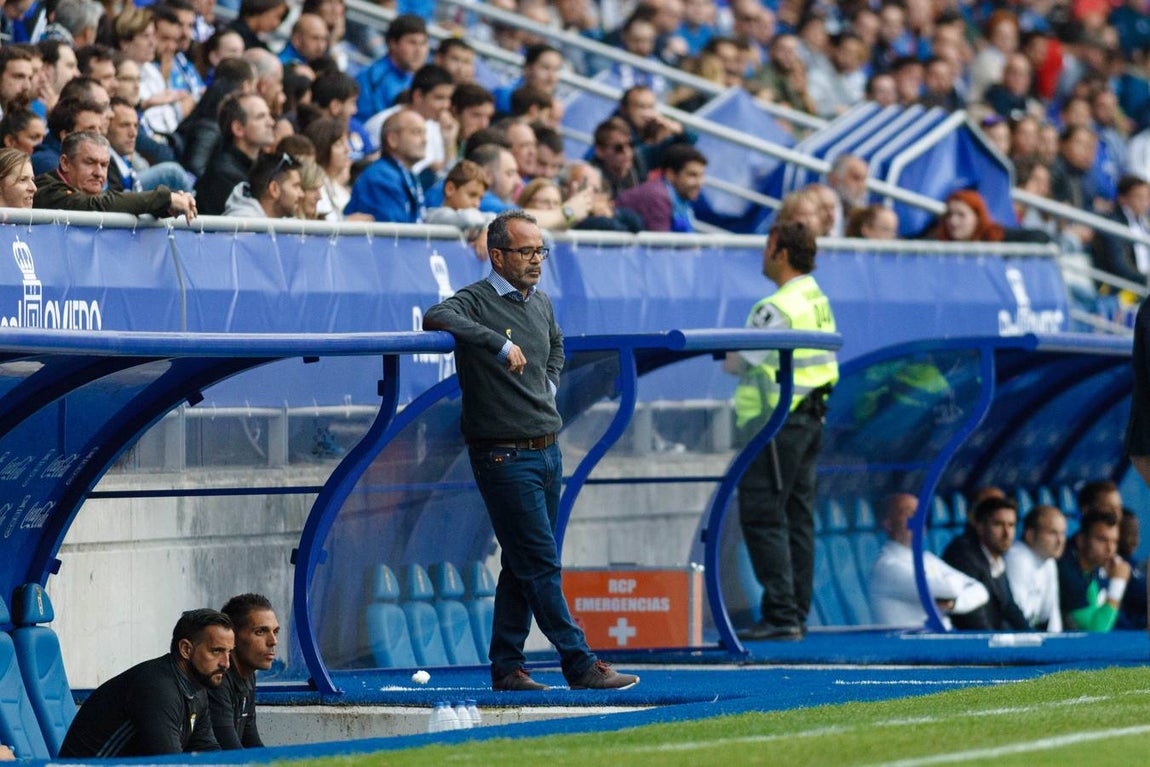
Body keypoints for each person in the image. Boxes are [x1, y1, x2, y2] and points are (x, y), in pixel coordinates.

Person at [421, 210, 639, 692]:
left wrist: (550, 383)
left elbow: (556, 346)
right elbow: (436, 316)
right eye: (526, 251)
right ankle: (579, 663)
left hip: (546, 449)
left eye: (541, 250)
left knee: (523, 562)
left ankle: (507, 667)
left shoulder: (538, 301)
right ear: (496, 256)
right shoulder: (477, 299)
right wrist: (496, 344)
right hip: (503, 454)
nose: (537, 260)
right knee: (540, 561)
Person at [724, 221, 838, 641]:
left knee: (764, 514)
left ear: (781, 252)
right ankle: (795, 613)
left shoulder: (776, 306)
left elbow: (739, 362)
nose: (762, 255)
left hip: (775, 422)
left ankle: (781, 614)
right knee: (797, 516)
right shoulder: (816, 298)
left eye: (767, 246)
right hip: (810, 418)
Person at [59, 609, 233, 757]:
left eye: (229, 652)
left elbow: (207, 753)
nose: (226, 663)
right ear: (186, 649)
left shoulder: (197, 688)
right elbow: (169, 764)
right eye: (216, 651)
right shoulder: (157, 689)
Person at [869, 493, 989, 628]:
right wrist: (953, 584)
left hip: (938, 642)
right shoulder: (887, 567)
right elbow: (951, 589)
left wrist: (954, 604)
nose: (918, 518)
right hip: (909, 647)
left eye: (920, 512)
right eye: (908, 512)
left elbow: (981, 590)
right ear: (888, 524)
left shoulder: (927, 559)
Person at [33, 131, 197, 221]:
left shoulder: (90, 193)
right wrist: (165, 198)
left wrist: (165, 209)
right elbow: (96, 205)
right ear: (65, 163)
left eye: (104, 165)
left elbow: (116, 203)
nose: (98, 173)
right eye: (90, 162)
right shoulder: (48, 189)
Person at [941, 496, 1030, 631]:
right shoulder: (963, 554)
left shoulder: (996, 556)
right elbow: (973, 619)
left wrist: (1036, 639)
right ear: (980, 527)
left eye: (1011, 525)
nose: (1007, 533)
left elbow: (1010, 608)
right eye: (998, 524)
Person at [209, 594, 279, 749]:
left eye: (275, 631)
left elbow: (252, 743)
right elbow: (232, 754)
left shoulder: (248, 675)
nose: (273, 641)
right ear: (232, 636)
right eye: (261, 632)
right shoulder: (217, 677)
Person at [194, 92, 276, 215]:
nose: (271, 122)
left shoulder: (258, 166)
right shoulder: (224, 175)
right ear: (238, 129)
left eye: (269, 115)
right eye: (261, 117)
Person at [344, 108, 426, 222]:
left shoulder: (404, 174)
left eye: (424, 133)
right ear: (393, 139)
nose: (425, 140)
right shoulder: (381, 177)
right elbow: (395, 234)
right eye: (416, 132)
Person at [1058, 509, 1131, 632]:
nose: (1110, 548)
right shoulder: (1067, 572)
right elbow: (1096, 629)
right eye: (1102, 540)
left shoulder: (1091, 568)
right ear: (1081, 540)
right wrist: (1118, 584)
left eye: (1114, 541)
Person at [615, 143, 707, 232]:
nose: (699, 183)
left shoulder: (678, 197)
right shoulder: (658, 197)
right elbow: (661, 246)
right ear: (670, 174)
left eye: (701, 175)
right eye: (692, 175)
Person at [1004, 504, 1067, 631]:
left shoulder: (1049, 561)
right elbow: (1016, 619)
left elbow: (1051, 615)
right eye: (1052, 533)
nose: (1060, 541)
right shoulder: (1017, 559)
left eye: (1062, 533)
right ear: (1030, 535)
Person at [355, 14, 428, 121]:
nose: (419, 51)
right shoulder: (371, 77)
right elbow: (363, 121)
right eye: (412, 42)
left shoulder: (421, 80)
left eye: (423, 43)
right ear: (393, 44)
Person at [1090, 174, 1150, 287]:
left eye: (1147, 198)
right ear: (1123, 199)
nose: (1145, 203)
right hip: (1121, 288)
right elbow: (1120, 267)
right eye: (1139, 197)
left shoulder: (1145, 222)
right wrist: (1146, 279)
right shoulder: (1113, 224)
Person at [223, 150, 304, 218]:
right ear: (274, 189)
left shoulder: (286, 224)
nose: (302, 194)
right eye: (295, 186)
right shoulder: (243, 228)